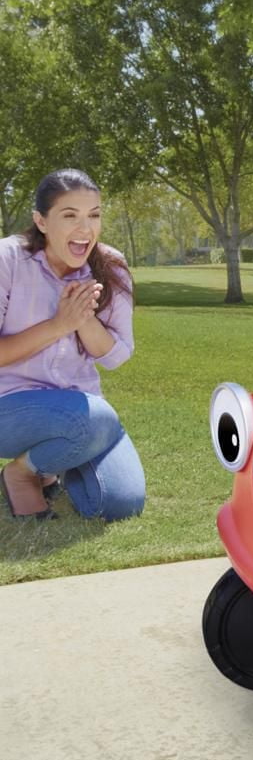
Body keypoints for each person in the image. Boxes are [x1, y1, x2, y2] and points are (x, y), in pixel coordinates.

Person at [0, 169, 145, 522]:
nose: (85, 229)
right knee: (96, 418)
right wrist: (58, 325)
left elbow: (115, 356)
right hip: (9, 407)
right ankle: (21, 474)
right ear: (41, 221)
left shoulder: (110, 265)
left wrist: (83, 320)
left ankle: (50, 464)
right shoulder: (8, 260)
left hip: (82, 412)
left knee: (121, 503)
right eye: (70, 215)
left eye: (94, 215)